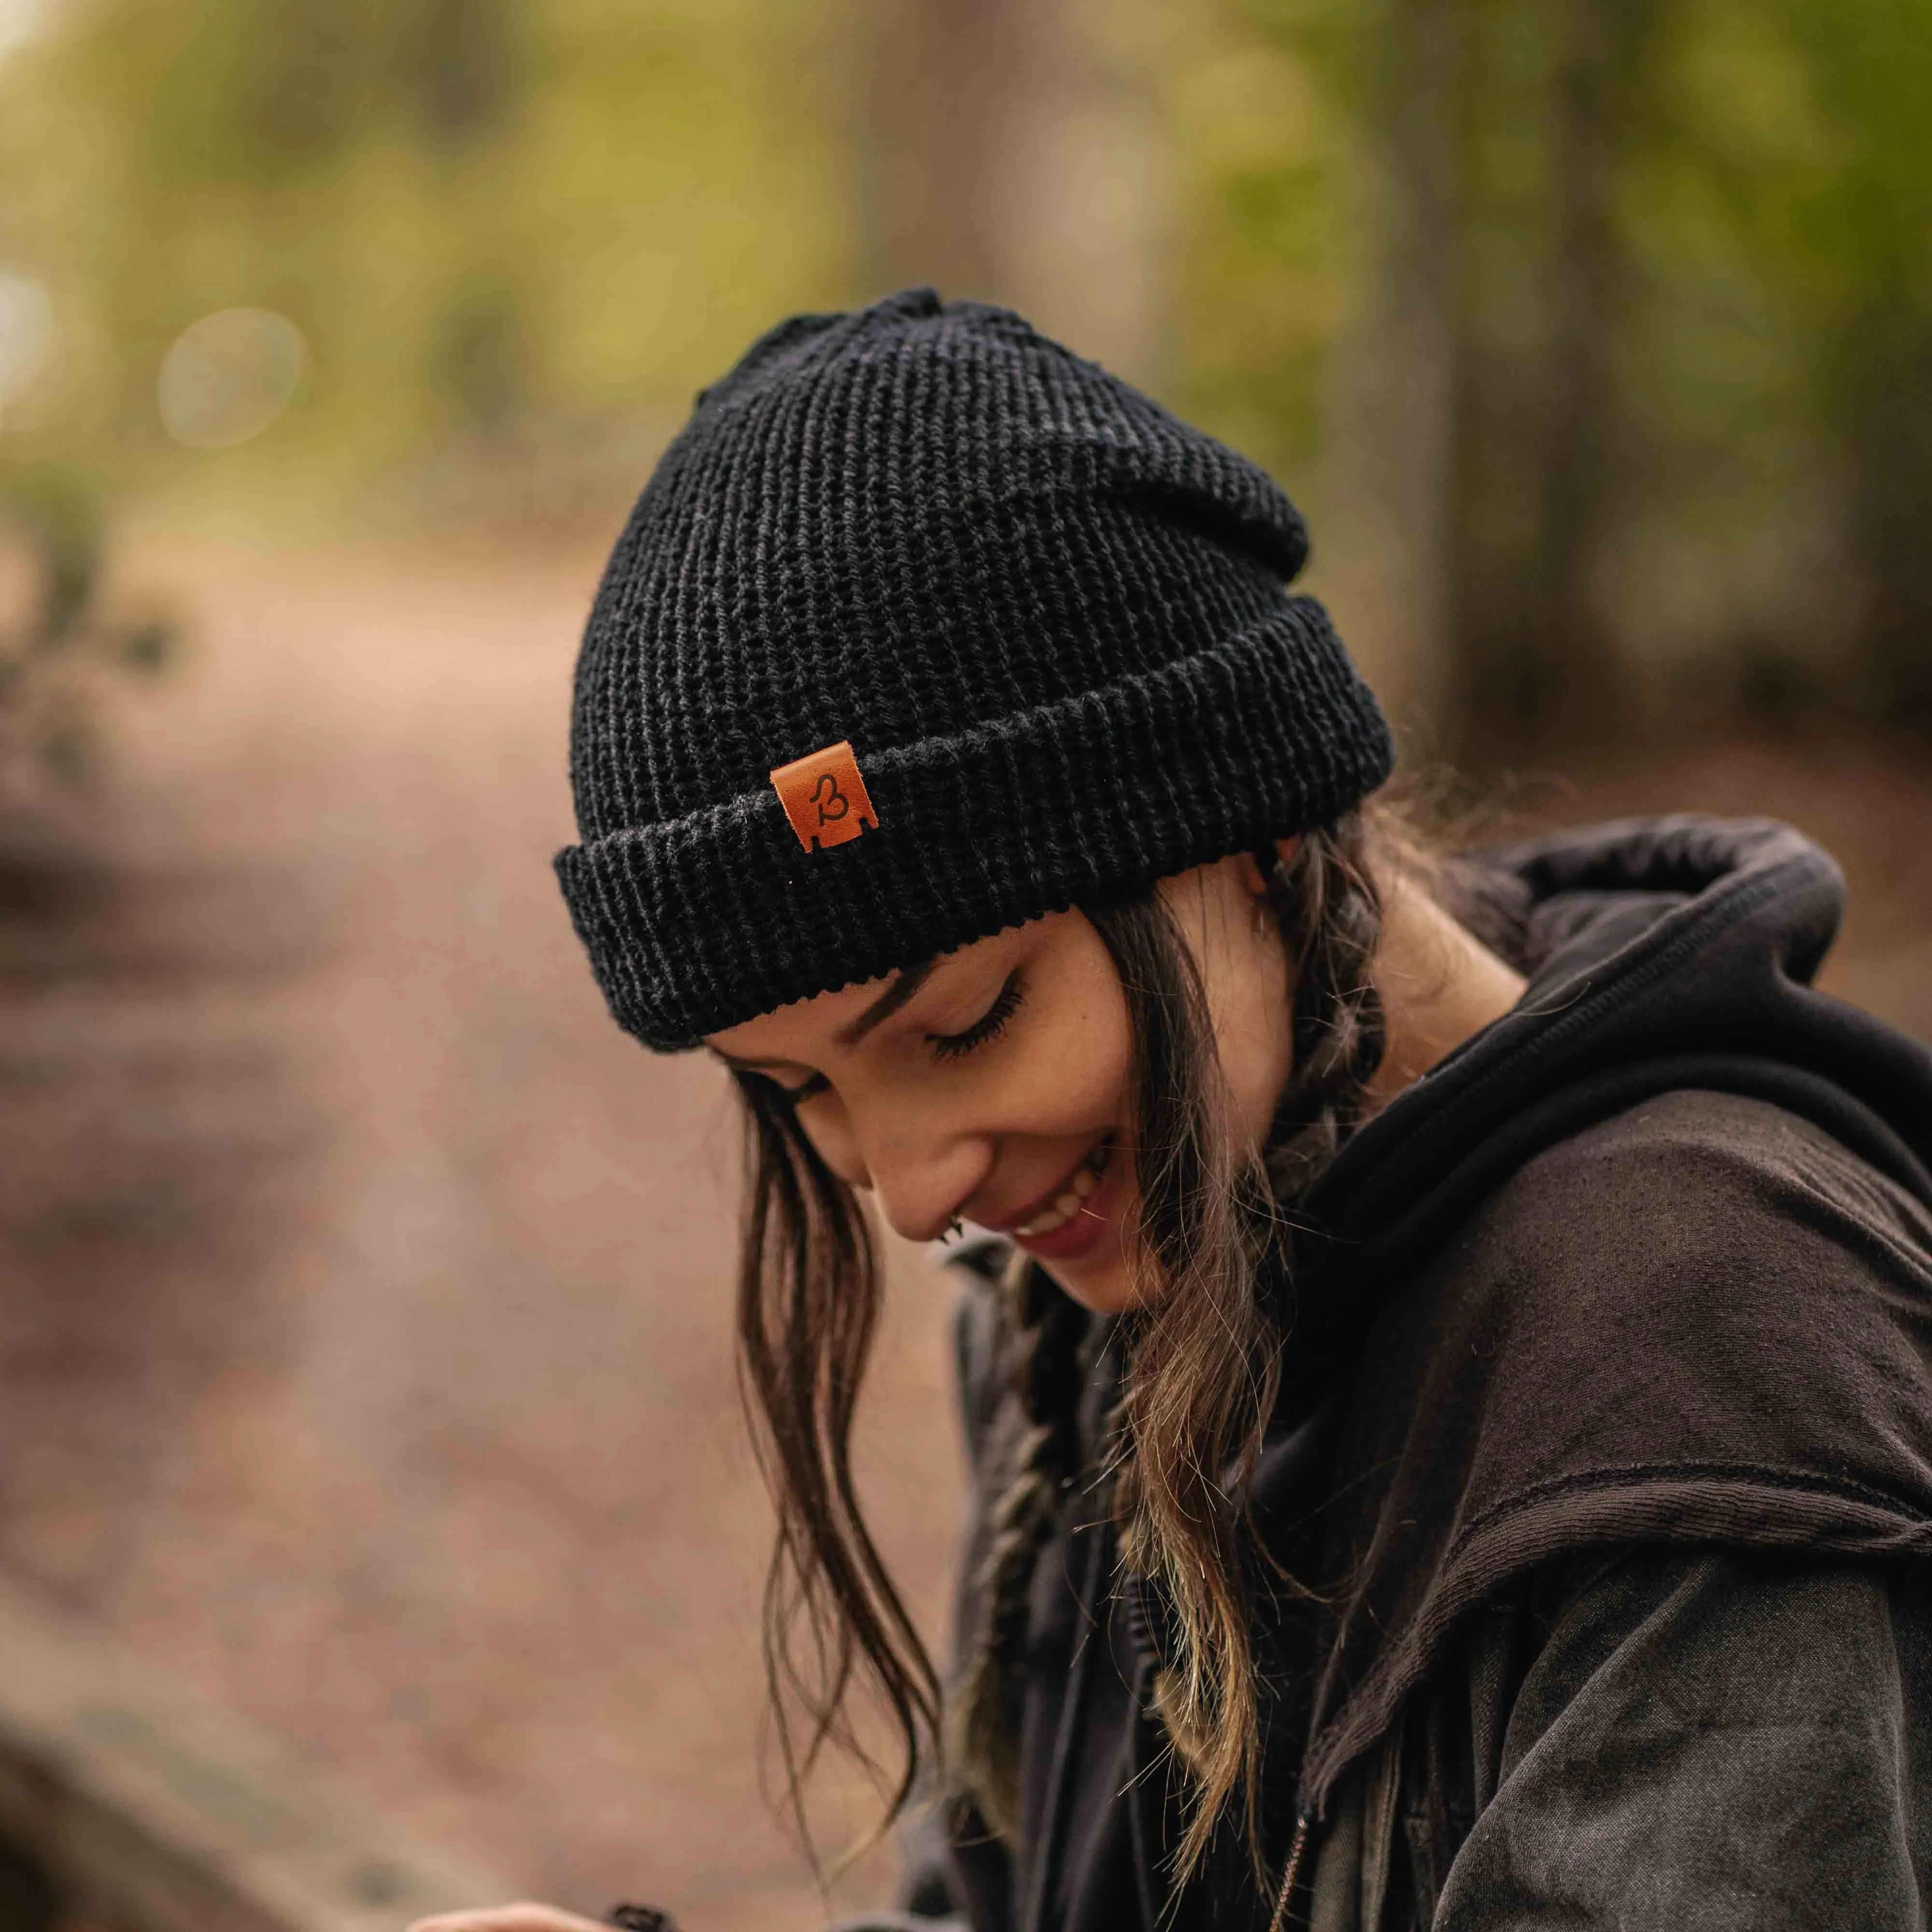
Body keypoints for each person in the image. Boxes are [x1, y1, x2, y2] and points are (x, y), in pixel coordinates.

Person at [409, 290, 1932, 1932]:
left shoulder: (1703, 1352)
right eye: (798, 1095)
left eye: (964, 1022)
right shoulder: (1105, 1266)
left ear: (1253, 831)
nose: (915, 1192)